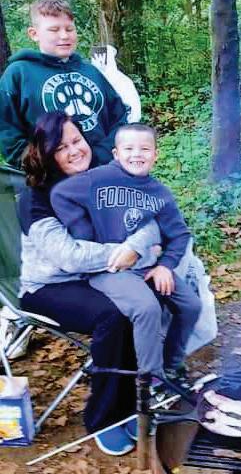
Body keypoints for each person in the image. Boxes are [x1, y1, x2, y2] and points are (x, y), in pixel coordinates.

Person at [18, 113, 159, 456]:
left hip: (96, 274)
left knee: (151, 294)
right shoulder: (36, 199)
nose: (74, 151)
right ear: (46, 154)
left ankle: (138, 399)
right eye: (61, 147)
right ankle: (105, 418)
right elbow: (68, 257)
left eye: (77, 140)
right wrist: (128, 252)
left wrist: (138, 245)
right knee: (113, 315)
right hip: (49, 287)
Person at [51, 123, 201, 384]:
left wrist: (165, 265)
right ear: (116, 153)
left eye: (145, 149)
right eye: (129, 148)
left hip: (147, 266)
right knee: (146, 308)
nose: (136, 154)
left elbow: (180, 234)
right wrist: (84, 233)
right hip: (110, 270)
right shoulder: (97, 179)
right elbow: (60, 194)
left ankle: (171, 365)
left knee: (191, 305)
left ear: (156, 155)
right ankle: (150, 379)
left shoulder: (160, 193)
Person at [0, 0, 128, 168]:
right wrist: (44, 165)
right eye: (54, 30)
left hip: (102, 170)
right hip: (49, 177)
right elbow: (7, 131)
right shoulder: (18, 74)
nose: (64, 35)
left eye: (69, 29)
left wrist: (100, 156)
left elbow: (119, 117)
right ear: (34, 34)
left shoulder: (90, 71)